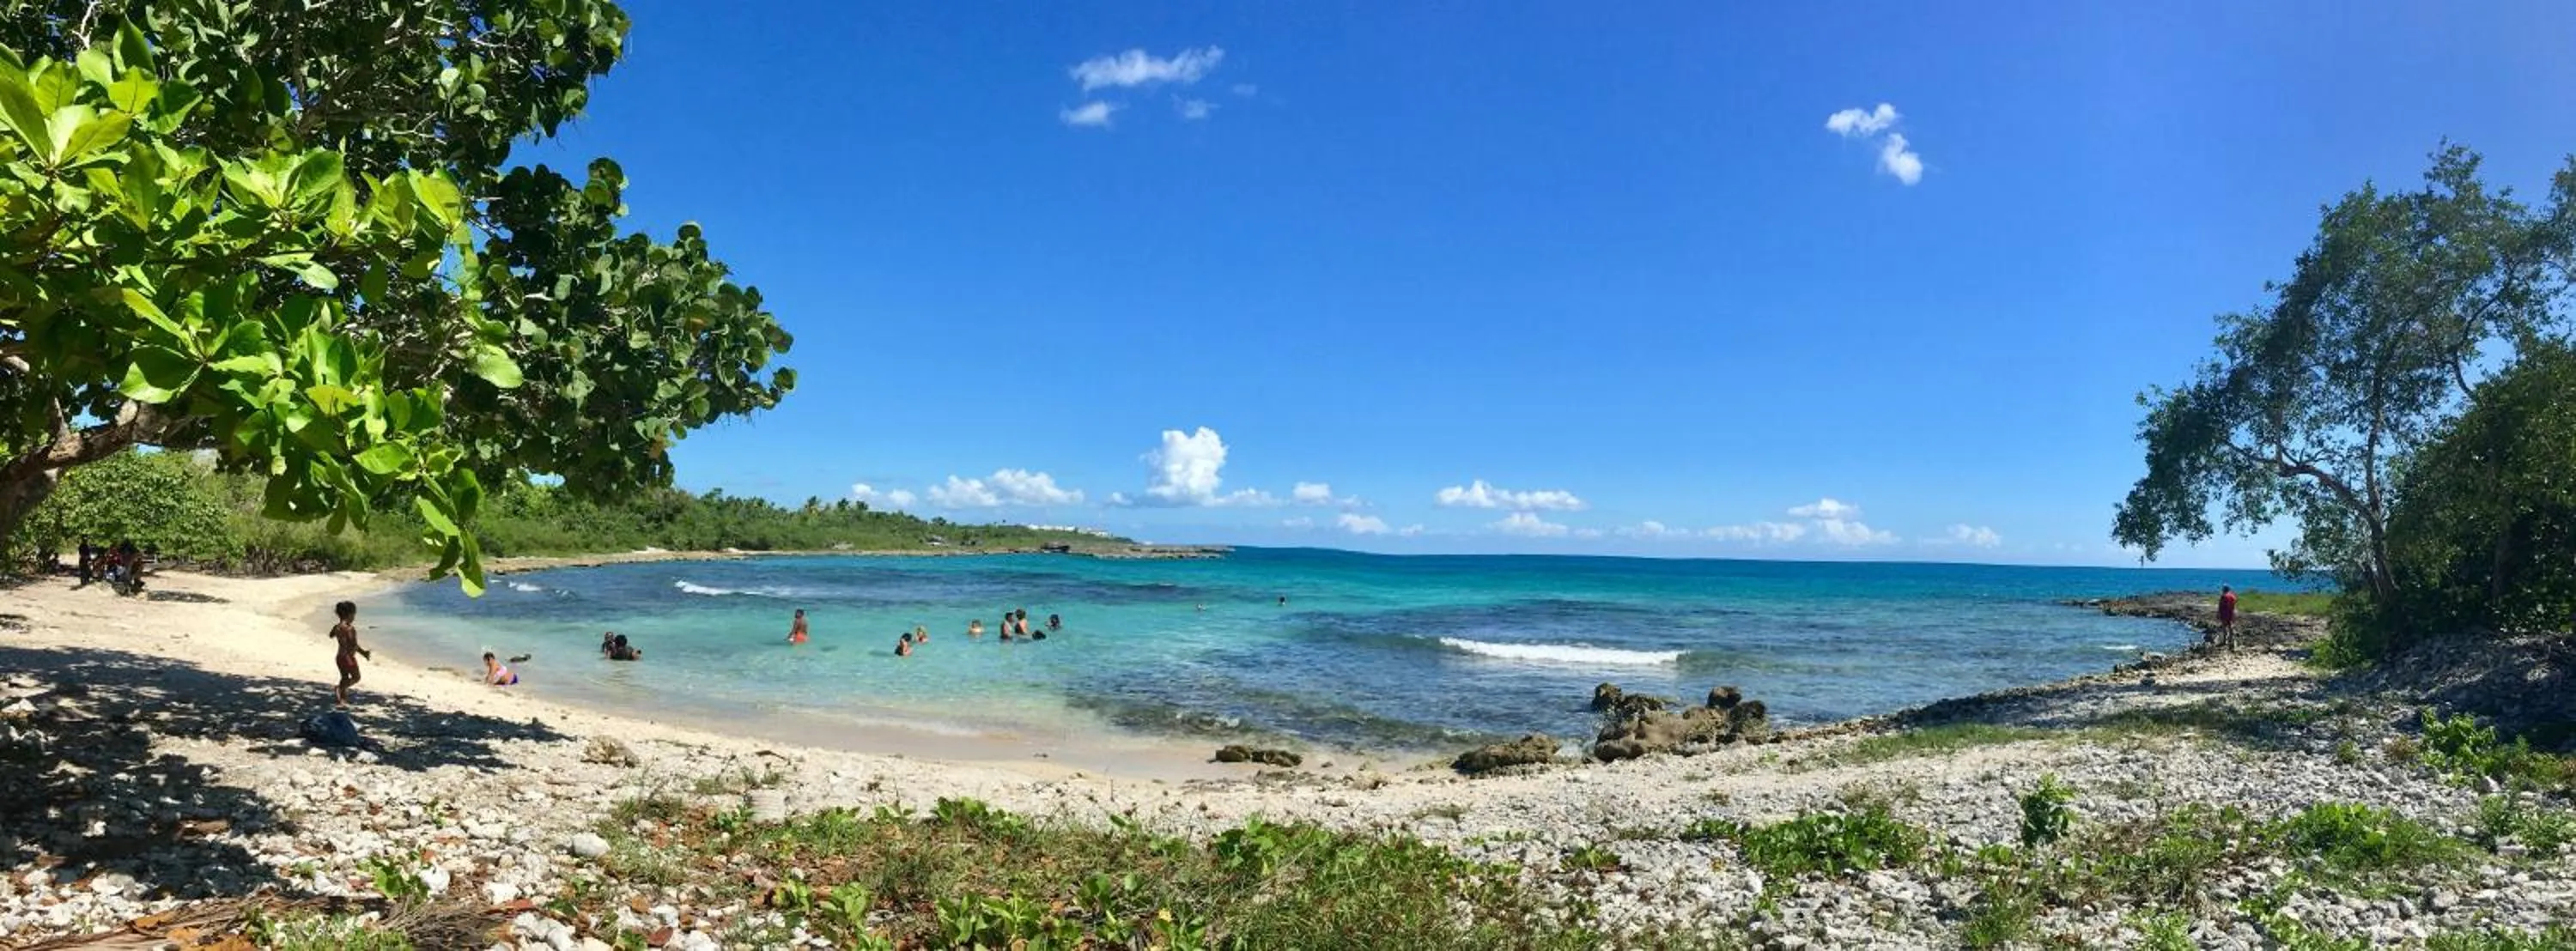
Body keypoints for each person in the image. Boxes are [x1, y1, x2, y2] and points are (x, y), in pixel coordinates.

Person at [328, 600, 370, 707]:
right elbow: (354, 645)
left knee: (344, 678)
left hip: (339, 657)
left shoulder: (337, 627)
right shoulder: (350, 628)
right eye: (354, 614)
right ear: (350, 615)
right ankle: (340, 689)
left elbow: (331, 635)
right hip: (348, 658)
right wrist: (364, 653)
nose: (354, 617)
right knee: (356, 677)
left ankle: (342, 700)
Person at [2217, 585, 2239, 651]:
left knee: (2224, 627)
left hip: (2225, 613)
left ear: (2224, 590)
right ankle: (2231, 640)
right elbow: (2234, 604)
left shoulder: (2223, 596)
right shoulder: (2233, 596)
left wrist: (2219, 614)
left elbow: (2221, 606)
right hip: (2231, 613)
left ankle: (2224, 640)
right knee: (2231, 627)